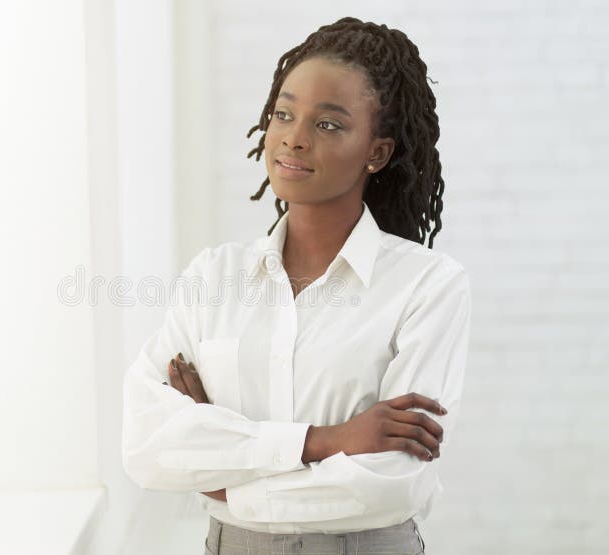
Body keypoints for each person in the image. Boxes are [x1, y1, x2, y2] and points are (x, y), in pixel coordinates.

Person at [122, 16, 471, 554]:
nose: (294, 137)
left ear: (376, 152)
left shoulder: (427, 287)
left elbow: (392, 482)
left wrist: (221, 474)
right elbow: (148, 445)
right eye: (284, 114)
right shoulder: (212, 279)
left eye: (328, 124)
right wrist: (326, 441)